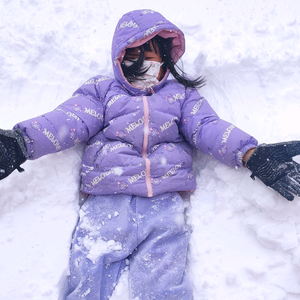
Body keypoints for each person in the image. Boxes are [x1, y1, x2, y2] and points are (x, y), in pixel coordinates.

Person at [1, 9, 300, 300]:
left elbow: (207, 128)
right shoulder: (102, 91)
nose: (142, 60)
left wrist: (250, 154)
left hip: (164, 201)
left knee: (164, 279)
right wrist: (21, 143)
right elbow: (69, 121)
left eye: (151, 52)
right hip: (108, 196)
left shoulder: (180, 96)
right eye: (134, 51)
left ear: (166, 58)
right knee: (91, 267)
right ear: (119, 56)